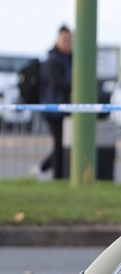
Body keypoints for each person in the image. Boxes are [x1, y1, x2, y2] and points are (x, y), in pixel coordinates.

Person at [38, 25, 73, 179]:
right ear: (57, 40)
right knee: (59, 146)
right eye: (65, 39)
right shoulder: (53, 60)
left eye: (70, 40)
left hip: (65, 109)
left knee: (63, 146)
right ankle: (54, 175)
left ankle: (45, 168)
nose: (68, 43)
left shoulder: (69, 58)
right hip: (54, 110)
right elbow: (57, 83)